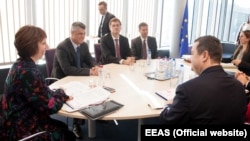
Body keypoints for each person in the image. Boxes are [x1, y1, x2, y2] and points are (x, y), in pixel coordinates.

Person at [0, 25, 75, 140]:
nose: (47, 47)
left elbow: (40, 93)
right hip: (22, 130)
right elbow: (50, 107)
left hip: (13, 123)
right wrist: (62, 94)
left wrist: (56, 94)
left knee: (62, 126)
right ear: (32, 46)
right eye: (44, 43)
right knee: (69, 135)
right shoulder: (29, 72)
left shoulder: (18, 65)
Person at [160, 35, 247, 124]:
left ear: (204, 56)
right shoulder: (239, 87)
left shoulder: (187, 90)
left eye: (193, 53)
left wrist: (168, 105)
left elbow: (168, 120)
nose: (191, 58)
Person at [51, 21, 98, 139]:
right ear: (72, 33)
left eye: (84, 33)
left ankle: (95, 113)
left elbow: (89, 58)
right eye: (79, 34)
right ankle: (77, 124)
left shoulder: (84, 45)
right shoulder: (62, 47)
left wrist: (95, 66)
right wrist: (89, 72)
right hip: (62, 80)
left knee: (94, 86)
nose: (82, 36)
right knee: (78, 94)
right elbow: (67, 70)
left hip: (77, 77)